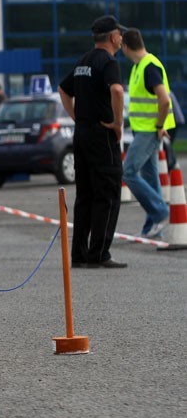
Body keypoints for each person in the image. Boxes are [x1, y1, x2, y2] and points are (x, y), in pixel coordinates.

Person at [58, 15, 126, 269]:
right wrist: (117, 123)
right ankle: (99, 254)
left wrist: (75, 116)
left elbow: (63, 89)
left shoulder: (83, 61)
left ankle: (79, 254)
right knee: (107, 193)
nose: (121, 37)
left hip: (82, 134)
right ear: (112, 37)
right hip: (102, 134)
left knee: (85, 194)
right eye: (119, 33)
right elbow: (117, 90)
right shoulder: (108, 62)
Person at [120, 28, 175, 239]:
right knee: (150, 177)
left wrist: (160, 126)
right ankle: (152, 229)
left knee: (129, 172)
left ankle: (161, 212)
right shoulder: (138, 67)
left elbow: (164, 99)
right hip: (143, 129)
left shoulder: (149, 66)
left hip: (150, 130)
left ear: (125, 46)